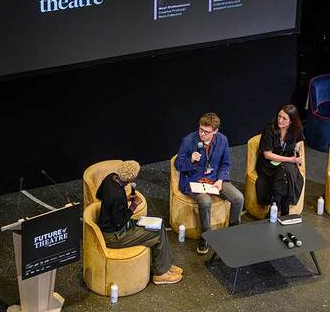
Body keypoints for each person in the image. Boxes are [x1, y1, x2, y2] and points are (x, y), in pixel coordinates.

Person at [96, 160, 183, 284]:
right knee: (156, 233)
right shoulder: (117, 196)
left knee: (159, 225)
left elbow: (99, 195)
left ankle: (165, 265)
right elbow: (119, 223)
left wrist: (124, 199)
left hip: (112, 226)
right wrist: (133, 206)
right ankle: (160, 274)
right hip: (114, 236)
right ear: (131, 178)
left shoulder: (110, 178)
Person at [175, 112, 244, 255]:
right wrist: (190, 161)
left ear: (215, 131)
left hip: (214, 179)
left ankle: (233, 230)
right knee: (205, 201)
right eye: (200, 129)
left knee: (238, 198)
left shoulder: (222, 140)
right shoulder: (188, 140)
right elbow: (178, 165)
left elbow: (225, 164)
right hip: (194, 180)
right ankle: (205, 237)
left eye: (206, 132)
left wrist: (220, 180)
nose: (202, 134)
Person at [255, 104, 305, 217]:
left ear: (292, 121)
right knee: (287, 171)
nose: (280, 120)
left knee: (286, 170)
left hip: (286, 163)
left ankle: (275, 204)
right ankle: (284, 210)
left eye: (284, 118)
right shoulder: (269, 129)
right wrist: (291, 159)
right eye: (279, 116)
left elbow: (300, 140)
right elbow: (267, 155)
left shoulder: (296, 130)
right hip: (268, 165)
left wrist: (297, 148)